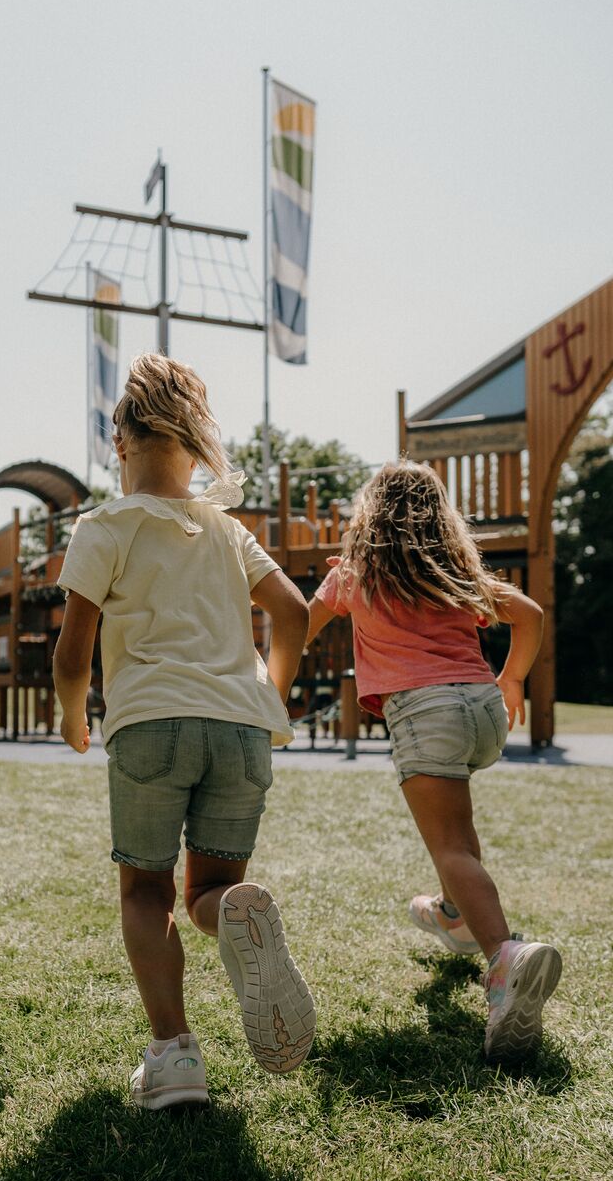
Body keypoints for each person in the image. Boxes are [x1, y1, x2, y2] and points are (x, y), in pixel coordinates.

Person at [53, 353, 315, 1110]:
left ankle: (174, 1058)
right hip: (241, 730)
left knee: (145, 889)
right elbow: (293, 612)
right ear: (196, 448)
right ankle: (236, 916)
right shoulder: (226, 532)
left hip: (151, 725)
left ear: (120, 440)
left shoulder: (105, 525)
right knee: (214, 888)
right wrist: (269, 690)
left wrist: (74, 714)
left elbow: (74, 652)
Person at [306, 460, 559, 1062]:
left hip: (428, 714)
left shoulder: (354, 576)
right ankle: (453, 914)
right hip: (482, 712)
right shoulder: (455, 577)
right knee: (458, 834)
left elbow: (299, 623)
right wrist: (513, 678)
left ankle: (505, 959)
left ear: (369, 518)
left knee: (451, 847)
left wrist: (267, 679)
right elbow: (530, 614)